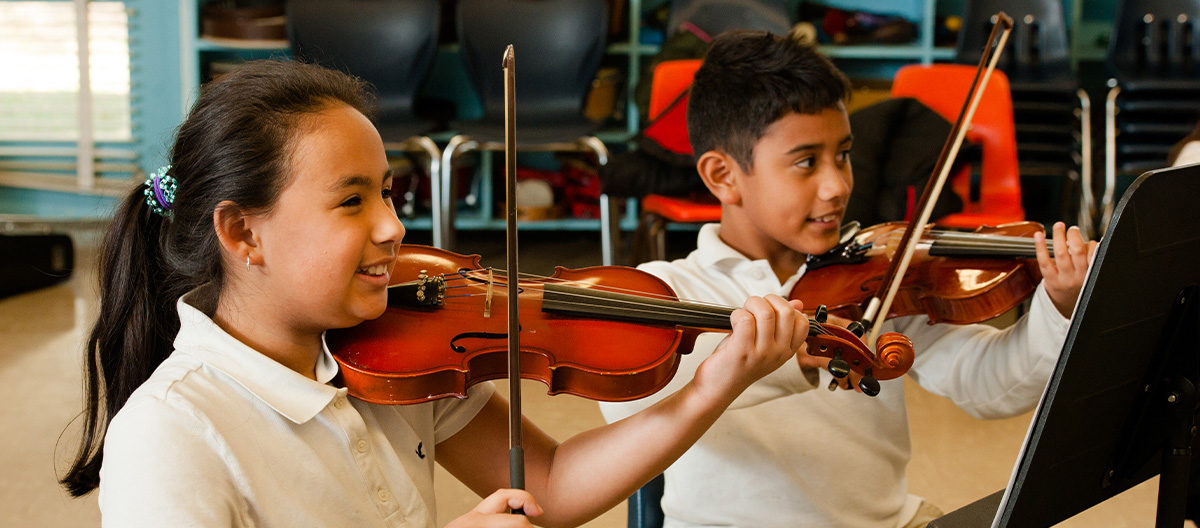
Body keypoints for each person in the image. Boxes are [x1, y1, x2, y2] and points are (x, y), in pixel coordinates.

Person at [56, 59, 824, 527]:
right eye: (351, 201)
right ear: (243, 234)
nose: (394, 227)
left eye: (389, 194)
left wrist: (712, 387)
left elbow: (549, 488)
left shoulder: (387, 353)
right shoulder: (171, 433)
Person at [598, 31, 1098, 528]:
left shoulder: (874, 279)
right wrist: (779, 360)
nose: (838, 185)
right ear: (722, 175)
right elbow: (628, 408)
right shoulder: (669, 289)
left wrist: (1059, 308)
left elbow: (991, 386)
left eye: (843, 154)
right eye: (806, 162)